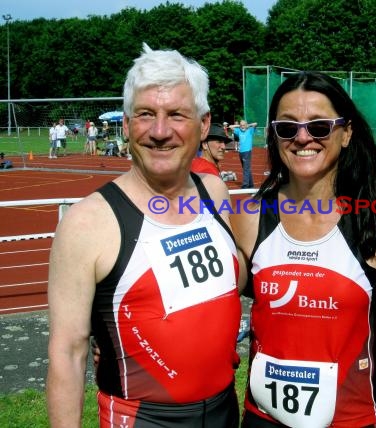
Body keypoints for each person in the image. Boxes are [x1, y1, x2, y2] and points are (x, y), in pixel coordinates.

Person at [47, 43, 242, 427]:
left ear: (204, 125)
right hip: (142, 418)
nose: (159, 131)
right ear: (125, 124)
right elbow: (67, 354)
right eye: (145, 115)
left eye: (176, 115)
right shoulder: (87, 223)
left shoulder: (214, 193)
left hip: (223, 410)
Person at [232, 71, 376, 427]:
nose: (302, 137)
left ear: (346, 132)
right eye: (287, 128)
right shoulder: (247, 218)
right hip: (263, 419)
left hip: (356, 420)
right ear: (274, 137)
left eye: (319, 126)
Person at [230, 119, 257, 188]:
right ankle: (251, 184)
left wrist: (247, 125)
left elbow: (255, 123)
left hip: (247, 152)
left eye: (243, 125)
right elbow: (230, 127)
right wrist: (239, 125)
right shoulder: (238, 131)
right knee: (246, 168)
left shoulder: (250, 130)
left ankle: (245, 185)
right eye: (241, 125)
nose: (242, 126)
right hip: (241, 152)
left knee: (246, 168)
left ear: (246, 125)